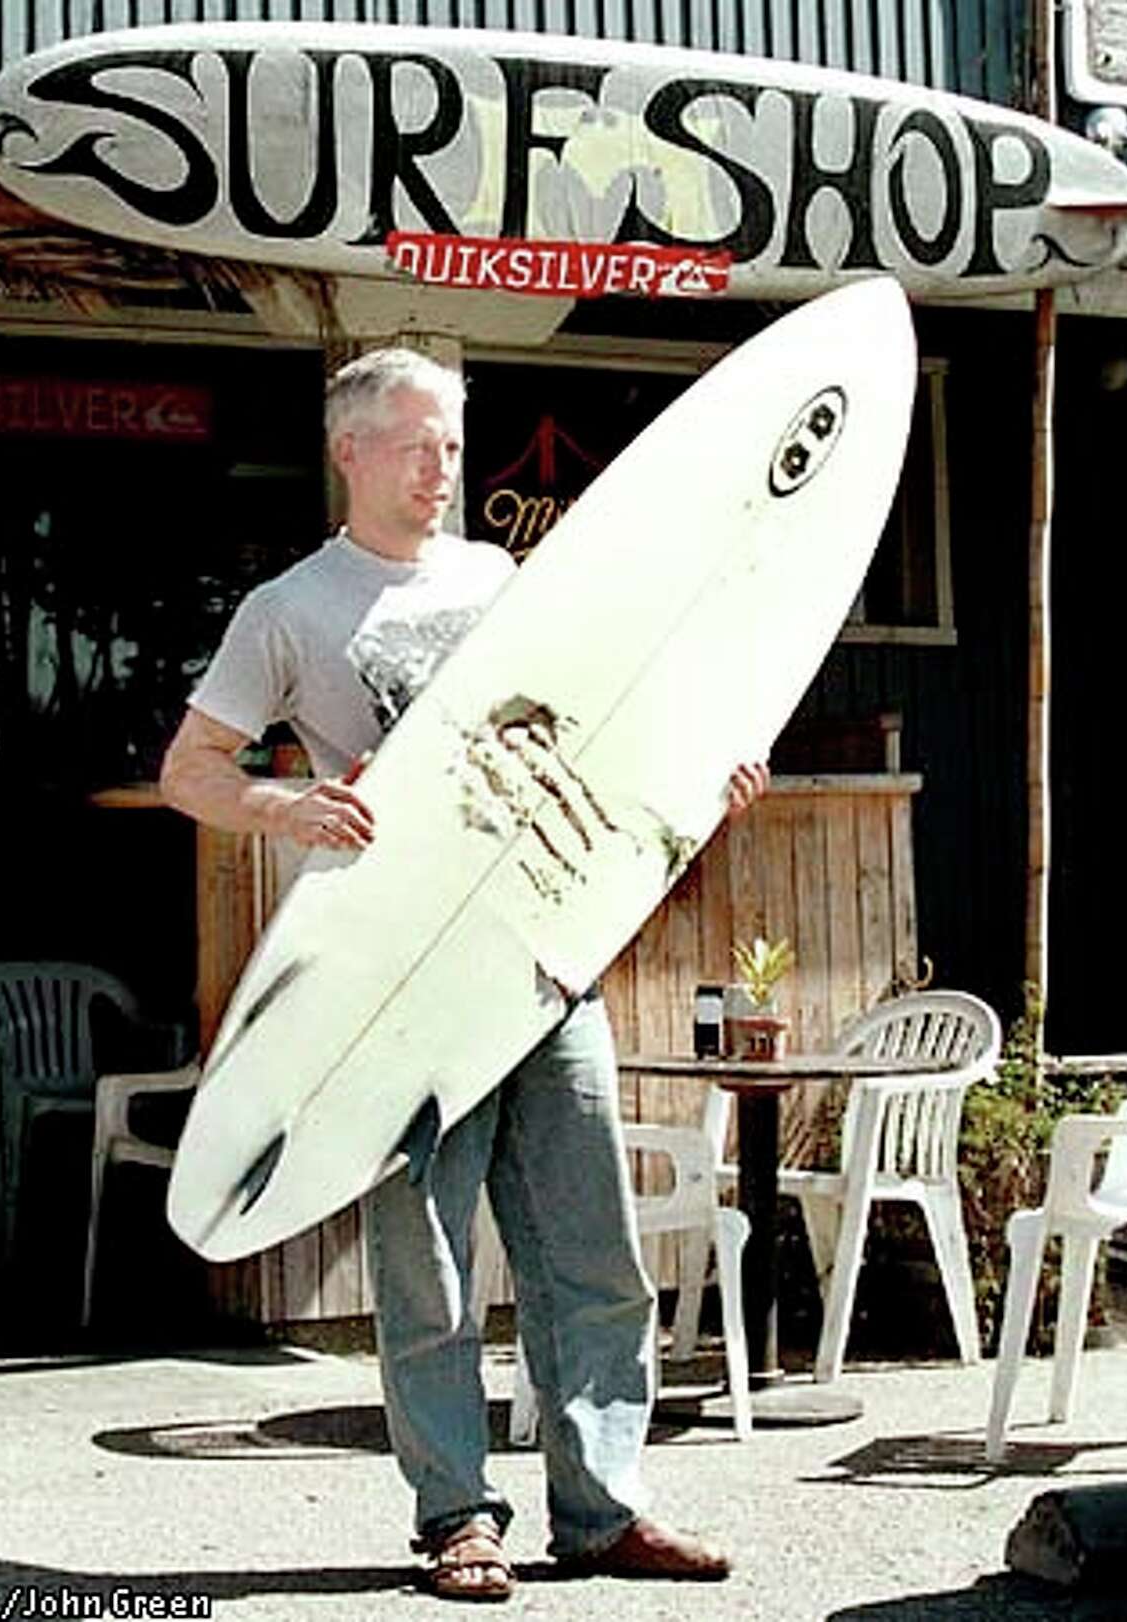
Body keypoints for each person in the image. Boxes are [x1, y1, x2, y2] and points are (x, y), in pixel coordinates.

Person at [161, 347, 770, 1602]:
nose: (445, 467)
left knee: (590, 1251)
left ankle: (603, 1509)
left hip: (544, 962)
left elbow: (601, 722)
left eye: (453, 442)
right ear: (351, 450)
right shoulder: (289, 607)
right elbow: (191, 769)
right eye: (419, 442)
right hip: (399, 987)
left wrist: (703, 776)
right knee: (427, 1264)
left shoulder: (502, 578)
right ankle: (457, 1515)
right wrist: (288, 805)